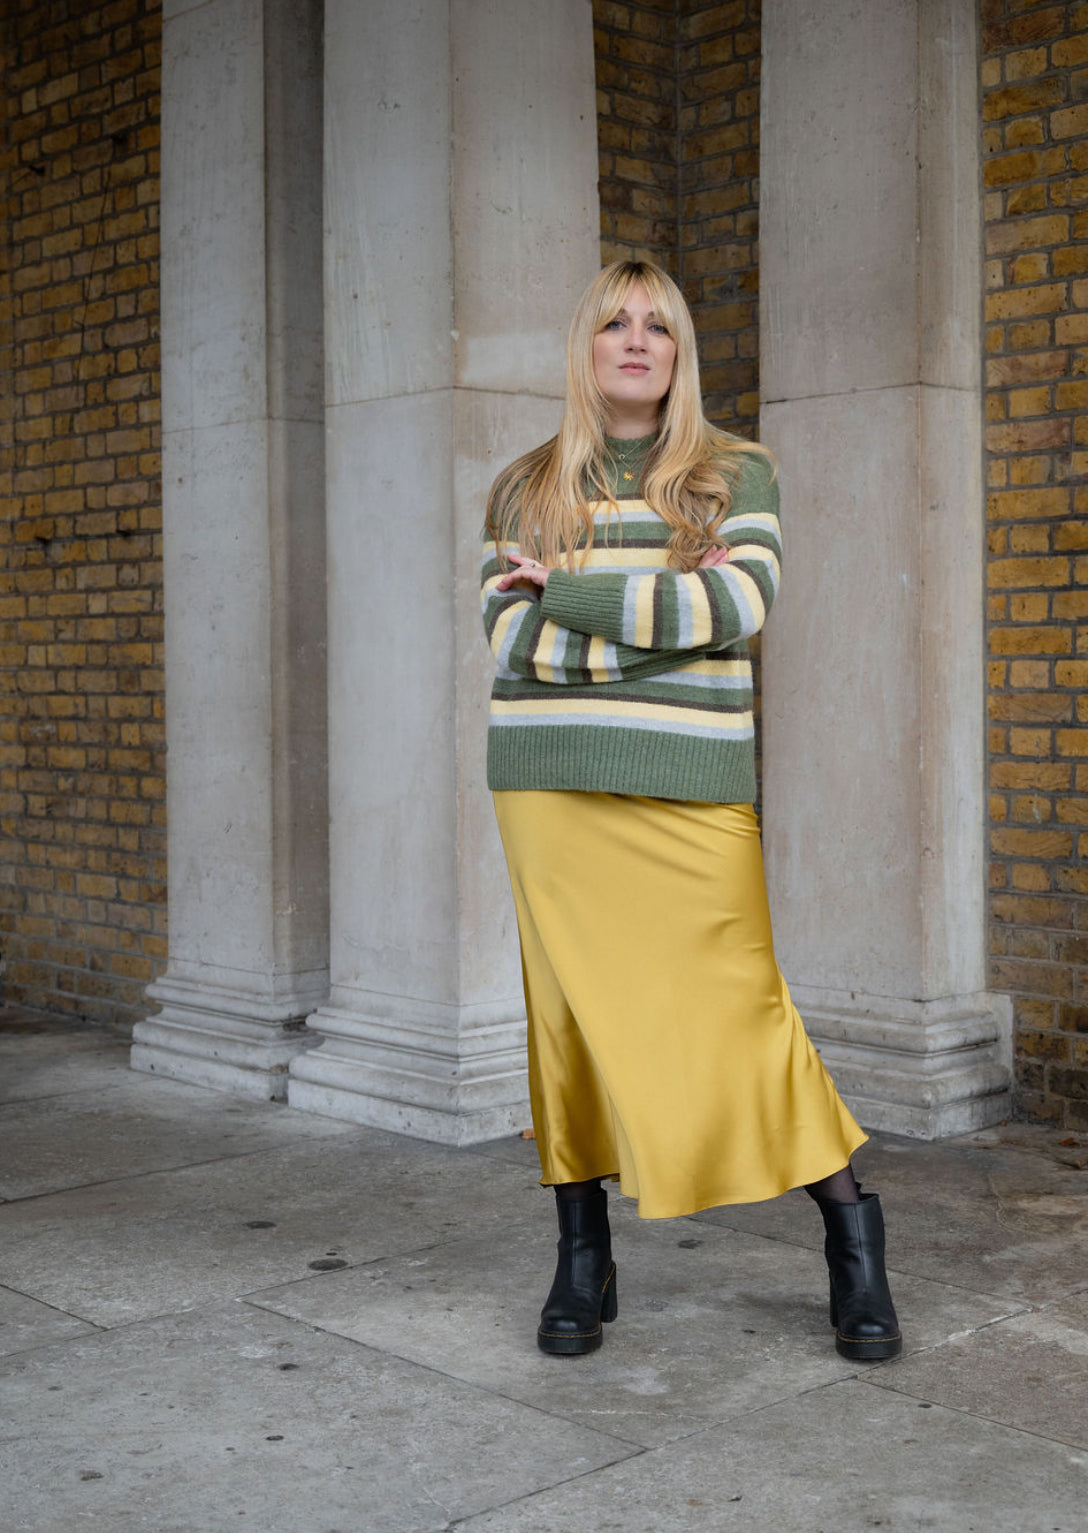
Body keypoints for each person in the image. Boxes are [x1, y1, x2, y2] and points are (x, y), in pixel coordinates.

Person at [479, 259, 900, 1364]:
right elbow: (510, 641)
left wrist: (568, 592)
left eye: (657, 326)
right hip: (549, 786)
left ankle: (852, 1237)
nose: (635, 341)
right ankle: (582, 1257)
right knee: (567, 1020)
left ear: (680, 352)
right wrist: (662, 621)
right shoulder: (524, 486)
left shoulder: (732, 476)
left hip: (690, 786)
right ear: (584, 346)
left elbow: (734, 604)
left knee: (741, 1013)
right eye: (614, 323)